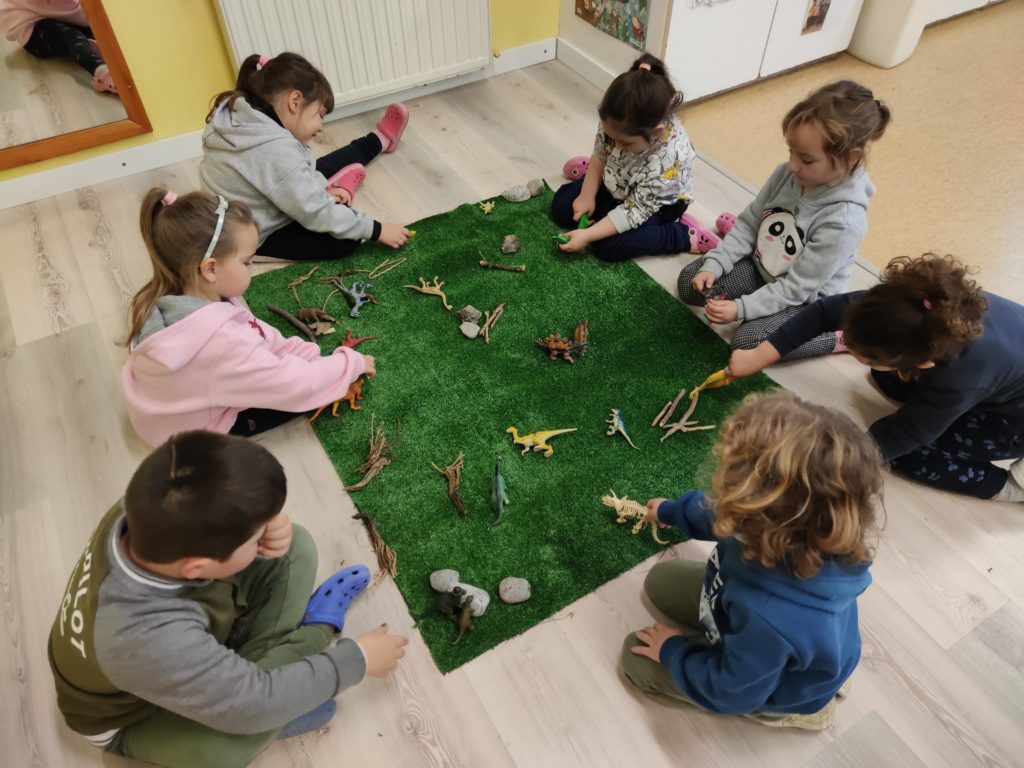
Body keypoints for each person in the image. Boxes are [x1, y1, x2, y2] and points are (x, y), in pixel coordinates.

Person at [48, 430, 408, 767]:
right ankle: (314, 638)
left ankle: (286, 679)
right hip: (135, 718)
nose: (265, 531)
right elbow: (252, 706)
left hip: (166, 652)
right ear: (197, 566)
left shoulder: (148, 508)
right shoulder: (148, 638)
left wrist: (264, 525)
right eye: (255, 536)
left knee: (295, 547)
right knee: (233, 740)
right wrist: (357, 660)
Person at [623, 391, 882, 730]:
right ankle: (814, 671)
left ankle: (801, 711)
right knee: (660, 579)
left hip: (762, 684)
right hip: (756, 619)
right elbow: (717, 514)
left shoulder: (773, 619)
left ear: (760, 511)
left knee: (634, 656)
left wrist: (672, 650)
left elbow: (729, 693)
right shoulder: (792, 524)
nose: (720, 484)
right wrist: (671, 511)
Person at [728, 253, 1024, 501]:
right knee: (888, 381)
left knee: (908, 457)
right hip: (991, 374)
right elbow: (823, 312)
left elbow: (904, 434)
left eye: (868, 357)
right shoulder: (898, 306)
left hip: (1013, 421)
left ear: (923, 363)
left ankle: (1011, 489)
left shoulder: (960, 378)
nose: (854, 351)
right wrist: (759, 356)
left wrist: (832, 466)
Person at [122, 188, 371, 446]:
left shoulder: (175, 293)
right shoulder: (224, 344)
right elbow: (290, 385)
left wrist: (307, 353)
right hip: (190, 432)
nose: (251, 268)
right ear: (210, 269)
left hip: (165, 410)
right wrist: (350, 365)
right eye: (247, 262)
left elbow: (255, 330)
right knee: (306, 393)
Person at [678, 80, 890, 357]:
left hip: (803, 300)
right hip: (762, 266)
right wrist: (715, 264)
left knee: (748, 342)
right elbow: (750, 222)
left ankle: (836, 338)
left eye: (807, 159)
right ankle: (745, 266)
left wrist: (742, 308)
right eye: (791, 151)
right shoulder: (788, 173)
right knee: (690, 283)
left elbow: (795, 289)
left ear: (850, 158)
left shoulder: (843, 223)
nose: (792, 164)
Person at [200, 51, 411, 260]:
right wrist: (377, 229)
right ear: (294, 101)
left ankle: (378, 140)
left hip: (244, 210)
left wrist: (321, 187)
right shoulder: (276, 151)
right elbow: (314, 212)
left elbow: (289, 171)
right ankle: (361, 160)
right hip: (254, 235)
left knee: (318, 169)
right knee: (348, 239)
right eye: (319, 115)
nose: (320, 127)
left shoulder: (236, 112)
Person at [550, 53, 697, 262]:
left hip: (655, 206)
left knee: (607, 248)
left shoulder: (668, 160)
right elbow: (601, 153)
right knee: (561, 208)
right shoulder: (616, 118)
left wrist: (588, 235)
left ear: (656, 132)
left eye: (625, 144)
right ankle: (598, 189)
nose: (616, 148)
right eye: (612, 138)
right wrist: (587, 194)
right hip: (620, 182)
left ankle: (679, 236)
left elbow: (636, 210)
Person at [0, 0, 116, 92]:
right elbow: (75, 12)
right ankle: (101, 71)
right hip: (32, 31)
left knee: (93, 25)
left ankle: (88, 47)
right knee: (71, 37)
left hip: (52, 13)